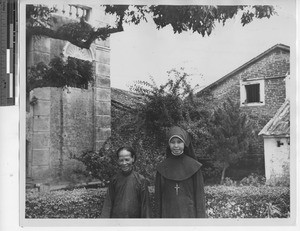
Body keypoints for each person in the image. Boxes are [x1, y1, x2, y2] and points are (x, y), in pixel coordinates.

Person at [154, 126, 206, 218]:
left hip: (189, 216)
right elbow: (158, 199)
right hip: (168, 215)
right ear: (168, 144)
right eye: (172, 142)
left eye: (179, 142)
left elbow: (199, 198)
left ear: (185, 143)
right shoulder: (162, 168)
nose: (176, 146)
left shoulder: (194, 167)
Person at [100, 146, 151, 218]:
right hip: (117, 223)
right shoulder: (114, 180)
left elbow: (145, 206)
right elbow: (108, 204)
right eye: (121, 160)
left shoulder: (141, 180)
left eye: (127, 159)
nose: (124, 163)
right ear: (118, 160)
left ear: (133, 158)